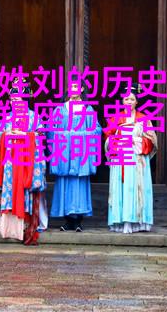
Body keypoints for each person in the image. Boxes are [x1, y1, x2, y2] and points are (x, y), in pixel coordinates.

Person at [0, 86, 47, 245]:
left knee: (25, 190)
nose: (14, 102)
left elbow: (41, 135)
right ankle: (8, 227)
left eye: (17, 99)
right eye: (12, 99)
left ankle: (26, 225)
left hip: (26, 162)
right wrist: (6, 135)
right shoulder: (7, 118)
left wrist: (25, 135)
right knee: (10, 191)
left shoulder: (33, 117)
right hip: (10, 162)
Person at [104, 84, 158, 233]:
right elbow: (108, 139)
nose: (129, 102)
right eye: (126, 99)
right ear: (122, 101)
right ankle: (120, 221)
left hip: (137, 158)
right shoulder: (115, 118)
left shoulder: (143, 119)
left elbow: (152, 141)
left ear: (137, 102)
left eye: (132, 99)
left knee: (136, 188)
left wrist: (137, 141)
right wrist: (118, 140)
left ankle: (138, 222)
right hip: (120, 158)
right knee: (121, 189)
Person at [48, 82, 102, 232]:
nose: (73, 90)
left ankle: (78, 220)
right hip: (64, 154)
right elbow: (51, 130)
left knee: (79, 186)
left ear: (82, 89)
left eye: (76, 87)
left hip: (80, 154)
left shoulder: (88, 109)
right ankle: (67, 220)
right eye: (70, 87)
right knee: (64, 184)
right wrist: (65, 135)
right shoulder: (60, 109)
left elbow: (97, 130)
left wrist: (80, 135)